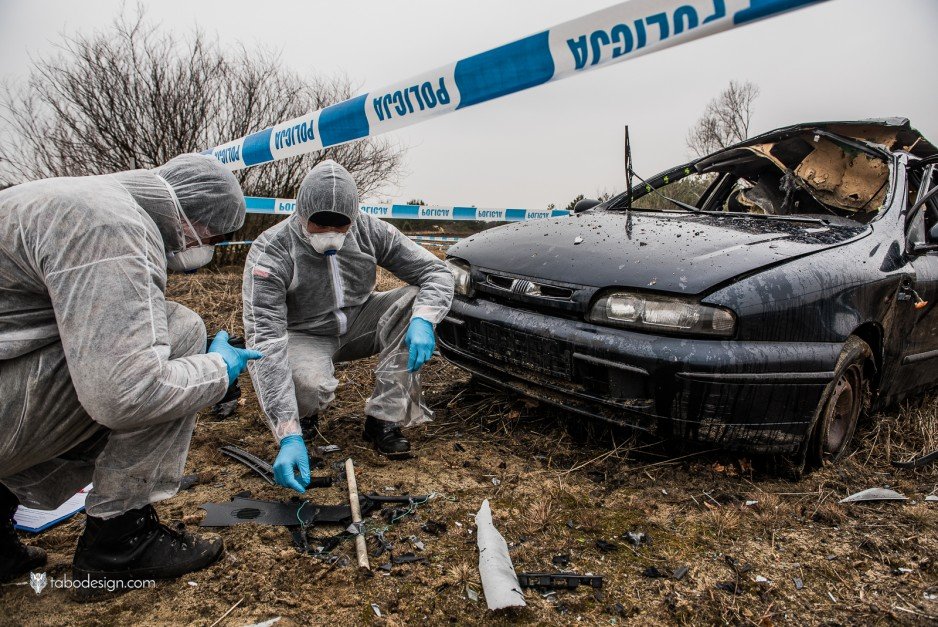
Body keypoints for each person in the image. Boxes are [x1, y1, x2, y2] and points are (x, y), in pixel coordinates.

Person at [0, 154, 262, 590]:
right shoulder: (115, 226)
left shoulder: (68, 198)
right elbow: (126, 394)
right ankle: (121, 539)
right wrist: (218, 369)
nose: (209, 246)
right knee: (180, 333)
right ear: (191, 215)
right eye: (214, 235)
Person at [243, 160, 454, 492]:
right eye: (318, 225)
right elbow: (264, 341)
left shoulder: (371, 230)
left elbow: (435, 272)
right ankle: (305, 419)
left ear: (353, 218)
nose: (329, 234)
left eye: (340, 226)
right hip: (305, 333)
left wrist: (425, 319)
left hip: (360, 320)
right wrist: (287, 433)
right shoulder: (272, 250)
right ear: (301, 213)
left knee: (416, 299)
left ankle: (384, 419)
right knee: (310, 386)